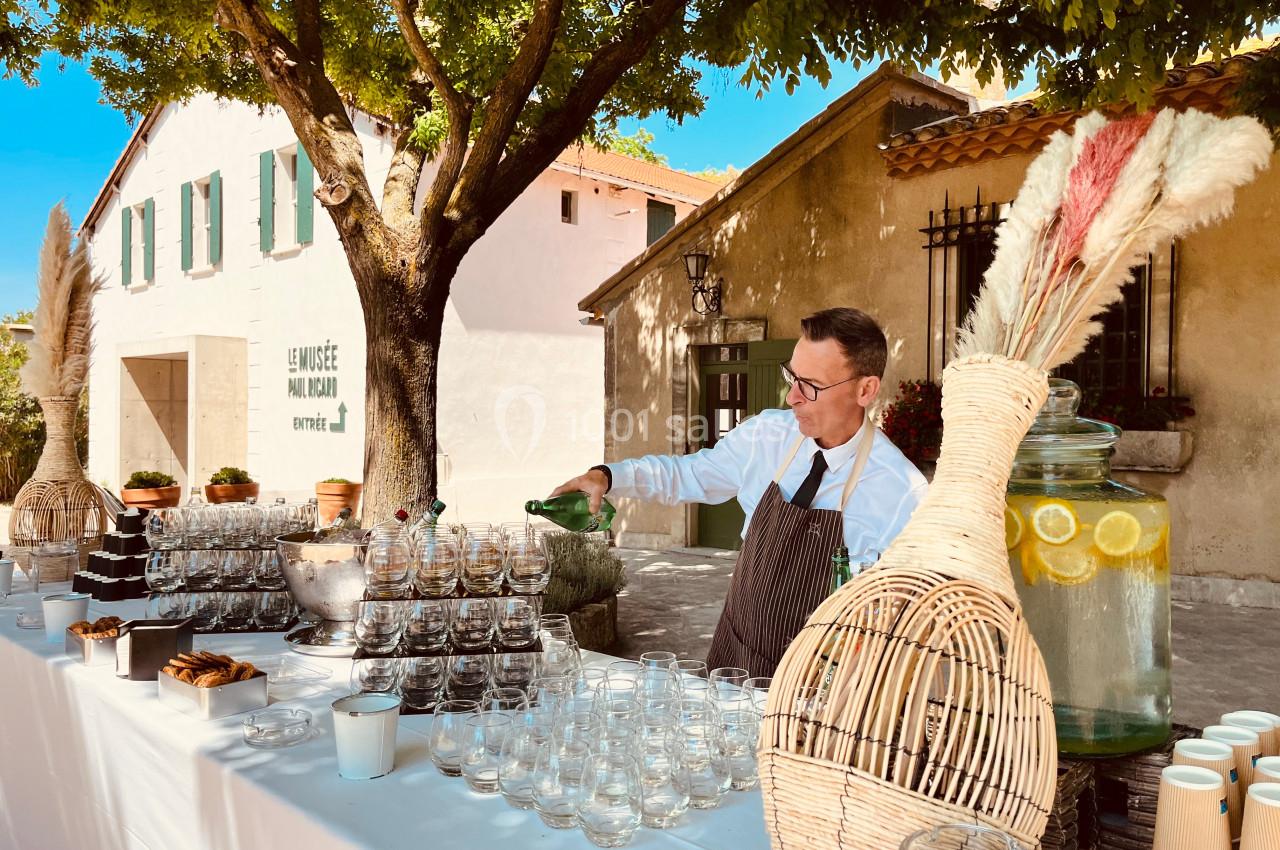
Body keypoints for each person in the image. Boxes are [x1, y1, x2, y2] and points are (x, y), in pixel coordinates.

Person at [551, 307, 928, 677]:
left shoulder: (902, 493)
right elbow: (687, 474)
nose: (792, 397)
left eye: (810, 385)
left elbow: (900, 620)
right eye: (792, 376)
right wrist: (608, 476)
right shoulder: (766, 435)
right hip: (735, 657)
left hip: (818, 684)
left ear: (866, 389)